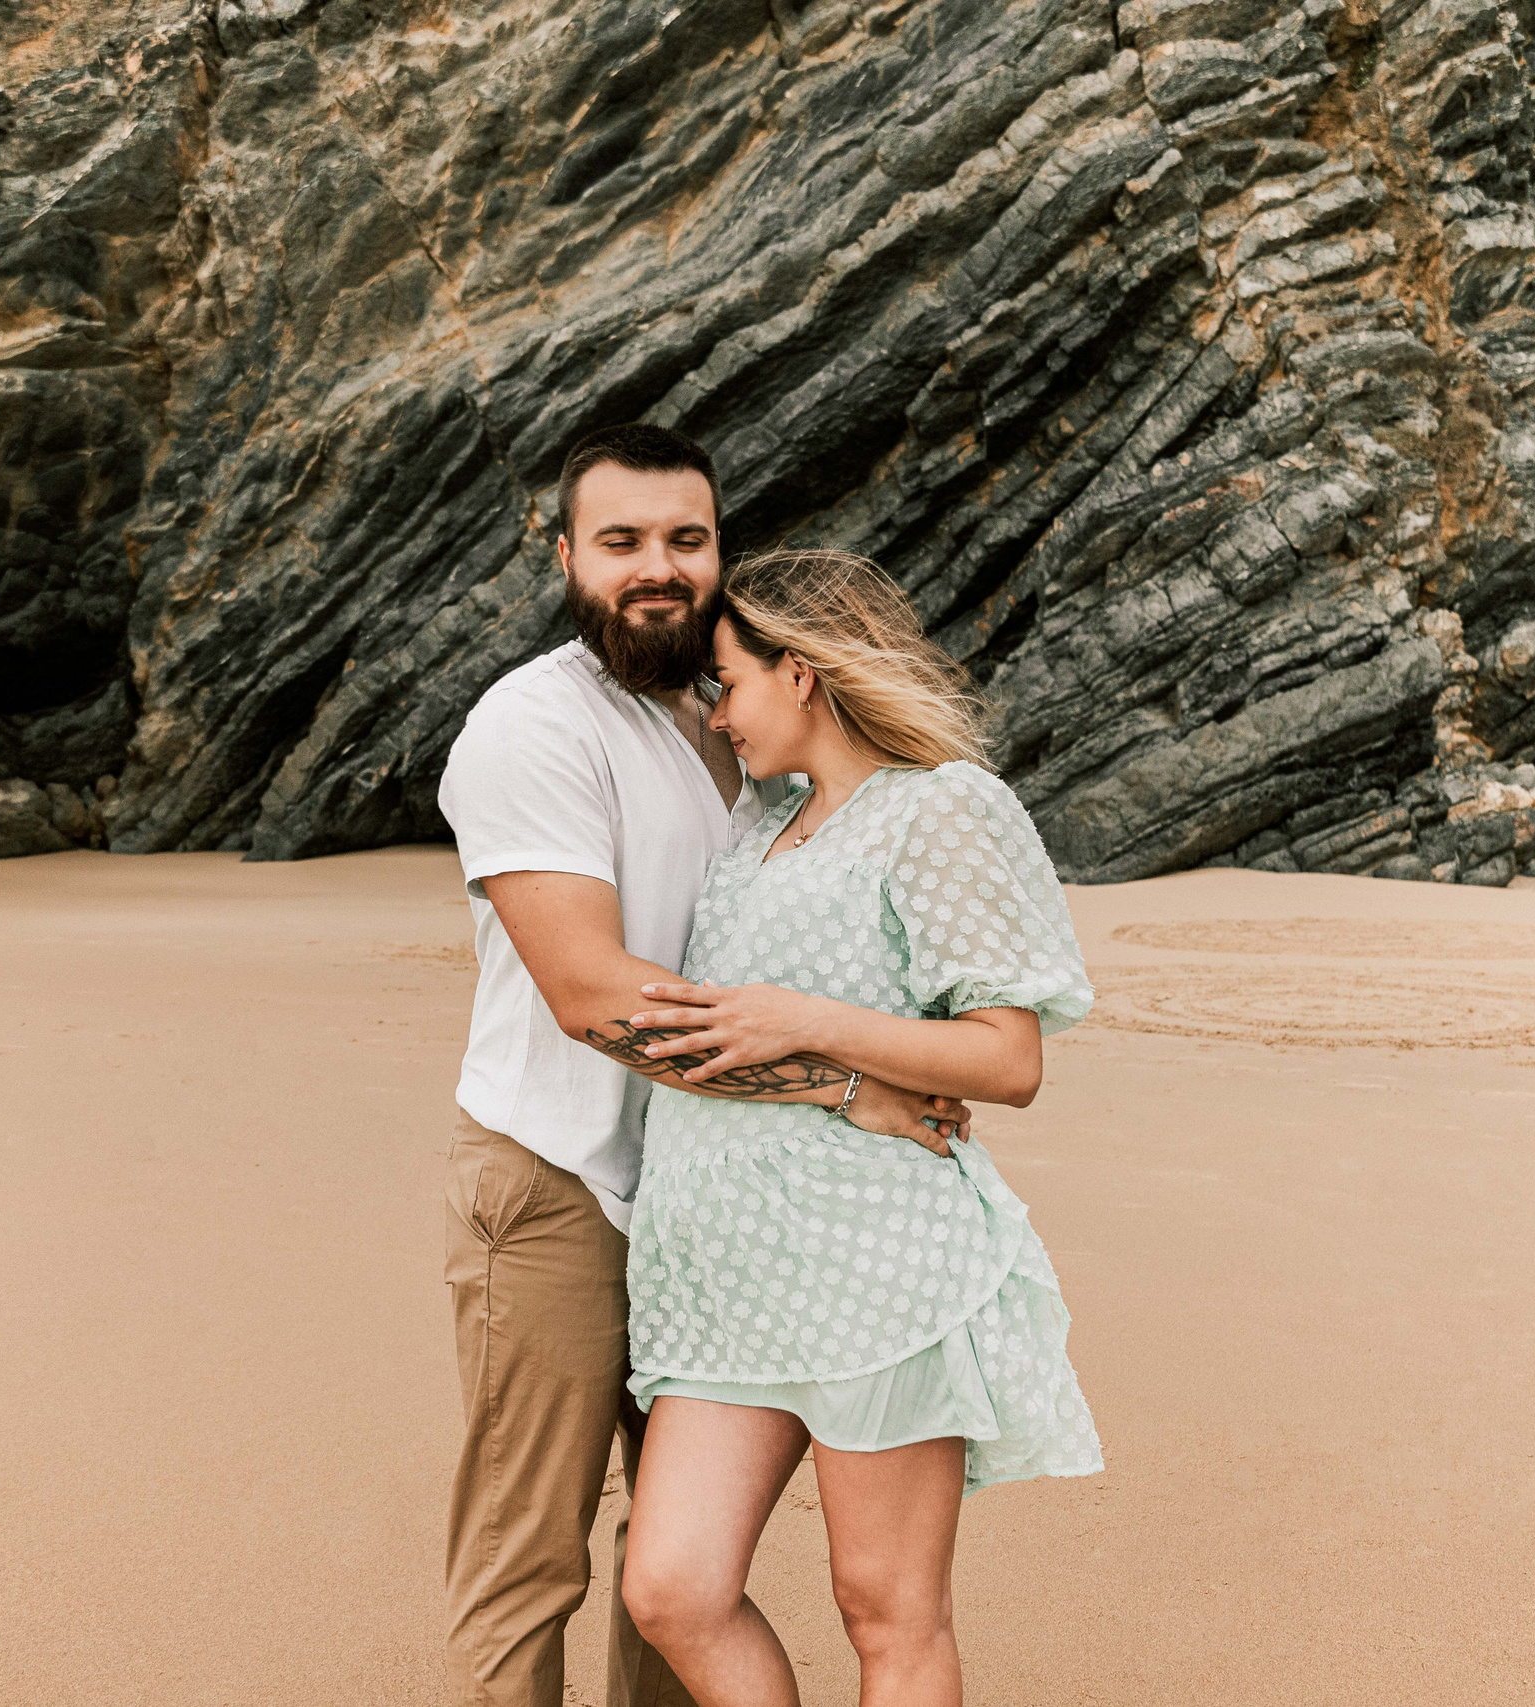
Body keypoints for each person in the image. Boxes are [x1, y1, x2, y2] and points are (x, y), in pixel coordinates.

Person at [435, 427, 972, 1707]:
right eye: (621, 542)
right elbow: (594, 994)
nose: (658, 569)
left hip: (708, 1190)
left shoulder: (736, 717)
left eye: (687, 539)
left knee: (675, 1576)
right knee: (528, 1562)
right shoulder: (532, 724)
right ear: (566, 556)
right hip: (556, 1179)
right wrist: (849, 1085)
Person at [610, 548, 1104, 1707]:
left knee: (886, 1610)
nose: (715, 714)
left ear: (804, 673)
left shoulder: (940, 809)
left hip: (876, 1266)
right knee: (672, 1588)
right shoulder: (756, 828)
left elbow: (1006, 1056)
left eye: (725, 685)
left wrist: (809, 1022)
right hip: (722, 1280)